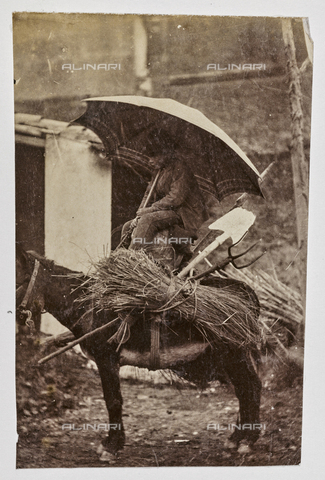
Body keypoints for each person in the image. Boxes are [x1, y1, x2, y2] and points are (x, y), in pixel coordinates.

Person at [122, 130, 208, 259]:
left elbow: (176, 198)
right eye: (148, 156)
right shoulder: (159, 170)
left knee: (147, 220)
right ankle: (119, 259)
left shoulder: (180, 168)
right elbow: (148, 195)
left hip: (183, 214)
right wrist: (139, 213)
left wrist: (149, 210)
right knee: (128, 226)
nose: (149, 160)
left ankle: (132, 258)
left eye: (154, 156)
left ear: (166, 153)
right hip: (167, 210)